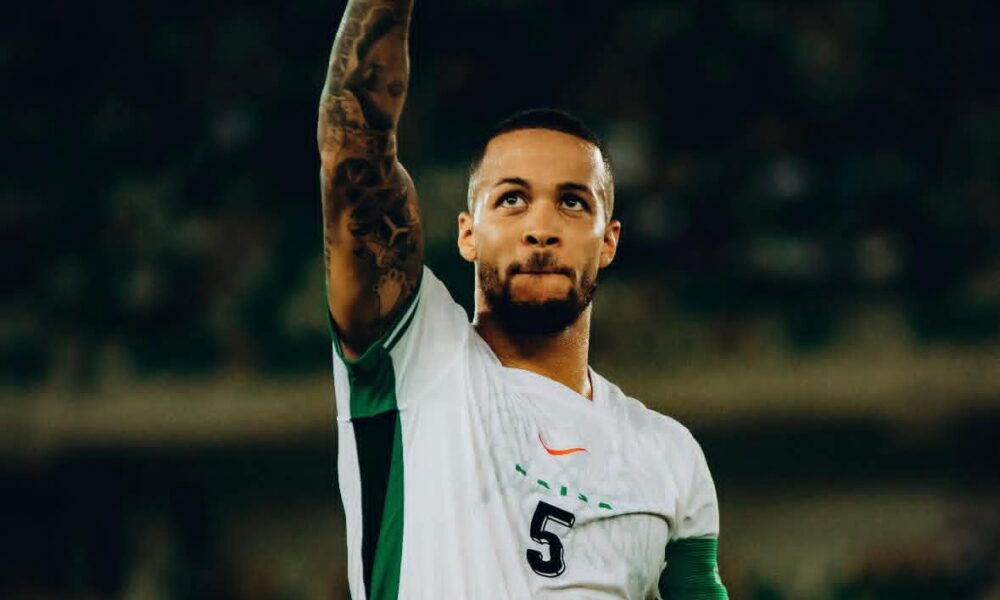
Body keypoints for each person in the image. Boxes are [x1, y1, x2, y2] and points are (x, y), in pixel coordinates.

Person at [317, 1, 729, 598]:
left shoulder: (669, 456)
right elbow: (353, 151)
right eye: (512, 199)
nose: (542, 227)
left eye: (573, 203)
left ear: (609, 241)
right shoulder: (413, 359)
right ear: (467, 233)